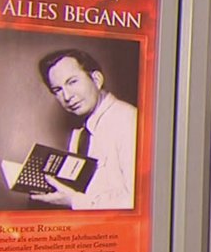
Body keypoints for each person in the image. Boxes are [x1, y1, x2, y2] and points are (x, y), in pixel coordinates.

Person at [34, 49, 137, 210]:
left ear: (96, 79)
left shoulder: (128, 120)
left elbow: (140, 201)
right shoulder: (80, 133)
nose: (67, 96)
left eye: (72, 82)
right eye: (58, 90)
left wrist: (74, 201)